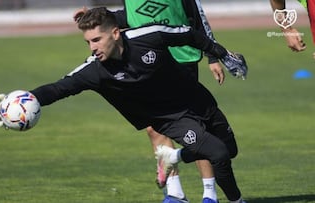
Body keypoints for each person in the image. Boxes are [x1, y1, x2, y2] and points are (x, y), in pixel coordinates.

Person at [0, 7, 247, 203]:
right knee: (219, 154)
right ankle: (237, 200)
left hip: (197, 99)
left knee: (230, 150)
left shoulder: (149, 36)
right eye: (88, 42)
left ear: (115, 34)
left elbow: (189, 34)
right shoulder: (95, 71)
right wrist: (26, 99)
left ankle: (173, 156)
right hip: (171, 119)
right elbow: (60, 88)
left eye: (96, 40)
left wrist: (222, 54)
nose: (93, 48)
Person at [74, 1, 246, 202]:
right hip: (145, 55)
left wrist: (212, 56)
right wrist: (97, 17)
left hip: (180, 57)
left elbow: (197, 17)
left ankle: (209, 193)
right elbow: (133, 16)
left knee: (199, 128)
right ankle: (175, 193)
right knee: (155, 126)